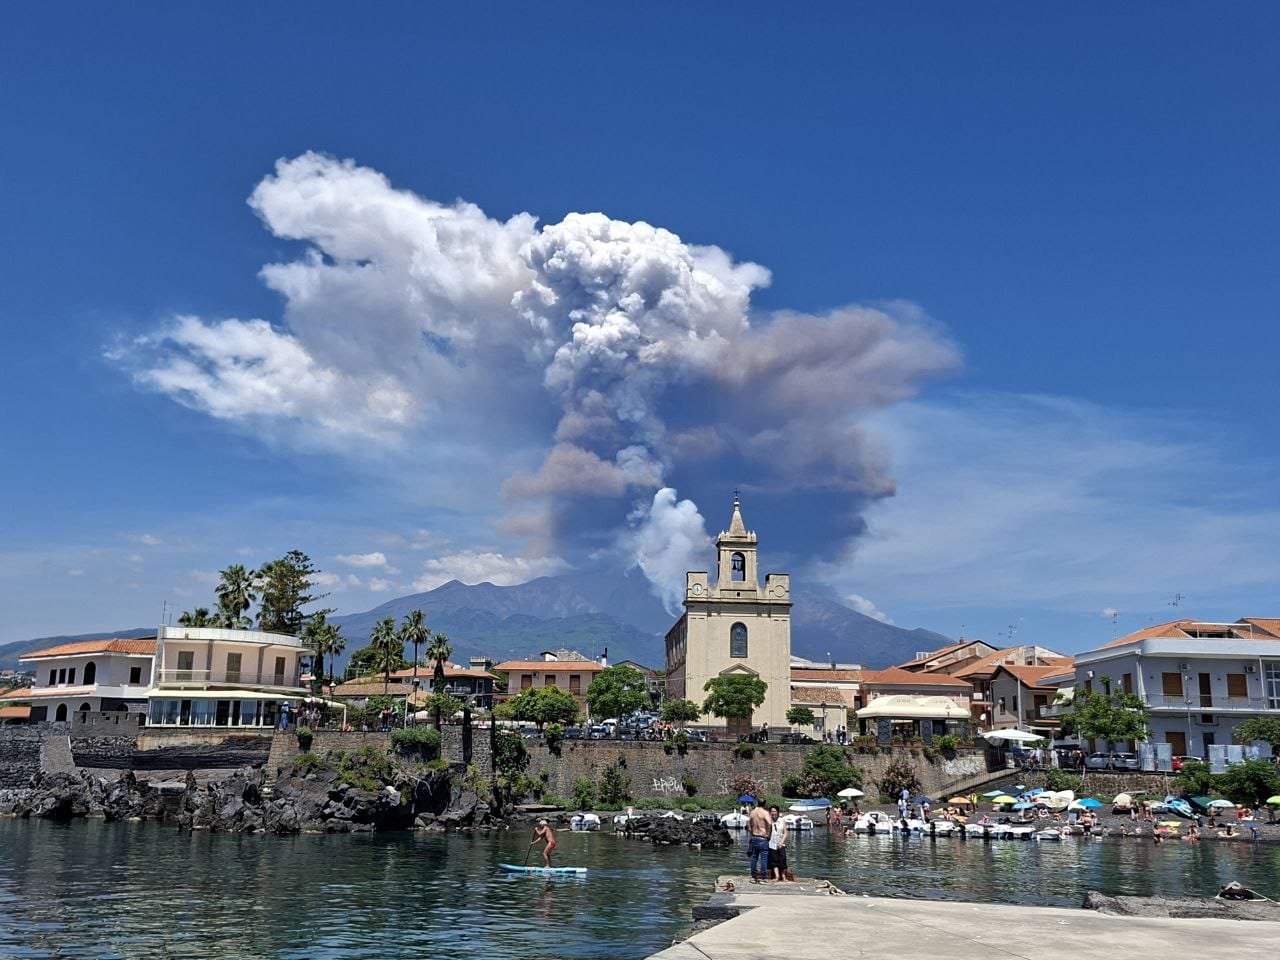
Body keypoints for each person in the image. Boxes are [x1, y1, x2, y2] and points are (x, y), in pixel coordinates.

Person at [748, 799, 773, 883]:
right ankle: (763, 877)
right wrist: (768, 835)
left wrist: (752, 833)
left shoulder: (752, 812)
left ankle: (753, 877)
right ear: (764, 804)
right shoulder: (765, 813)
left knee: (754, 858)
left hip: (754, 837)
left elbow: (749, 826)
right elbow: (769, 824)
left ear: (757, 803)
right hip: (763, 837)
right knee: (764, 859)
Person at [768, 805, 790, 881]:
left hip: (781, 843)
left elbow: (786, 833)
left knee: (783, 860)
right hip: (772, 843)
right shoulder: (768, 821)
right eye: (771, 811)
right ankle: (777, 876)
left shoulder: (782, 820)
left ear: (778, 812)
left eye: (774, 811)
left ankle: (783, 876)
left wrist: (781, 842)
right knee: (774, 861)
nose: (773, 813)